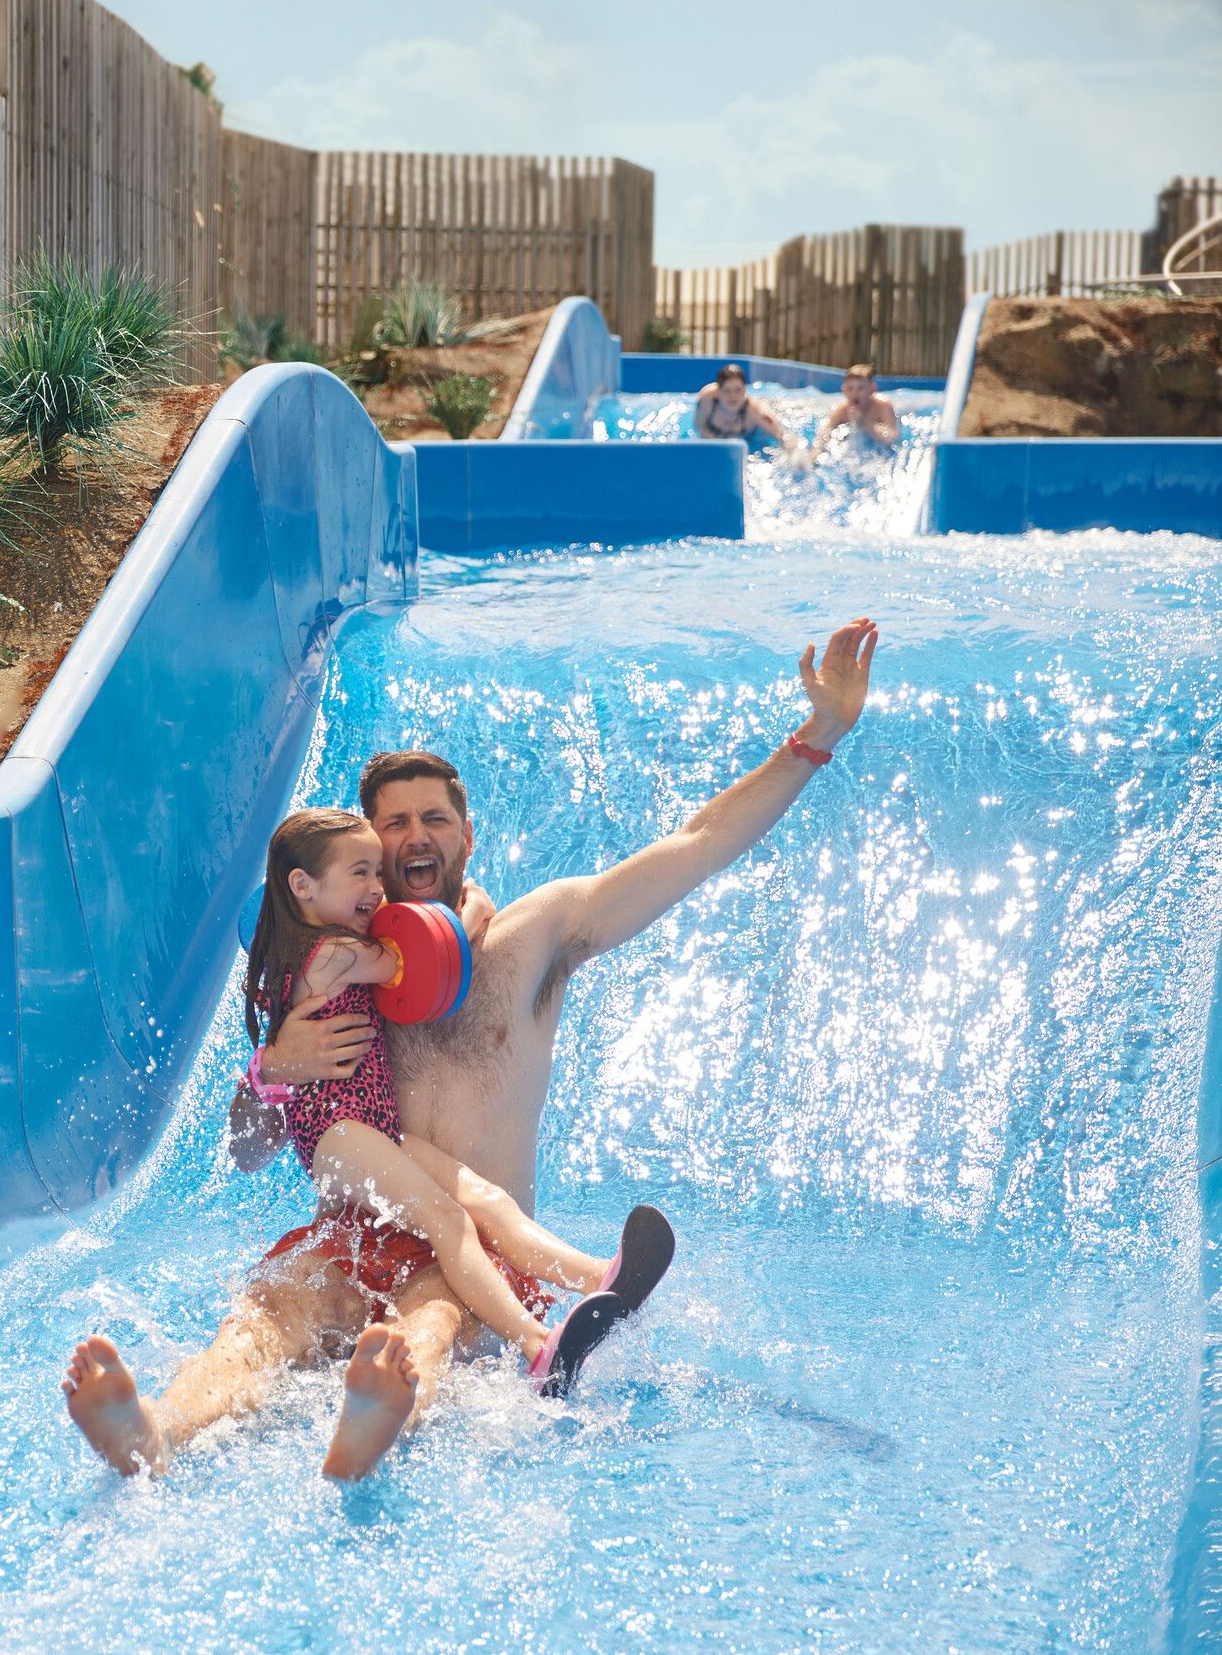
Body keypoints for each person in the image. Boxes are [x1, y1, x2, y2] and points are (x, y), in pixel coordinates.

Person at [63, 617, 880, 1482]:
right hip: (355, 1229)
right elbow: (248, 1154)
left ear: (467, 838)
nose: (415, 835)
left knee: (431, 1326)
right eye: (392, 824)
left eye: (435, 819)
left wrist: (816, 735)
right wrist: (277, 1068)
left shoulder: (532, 938)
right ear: (364, 855)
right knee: (264, 1315)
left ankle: (372, 1428)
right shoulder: (337, 968)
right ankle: (154, 1429)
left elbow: (694, 846)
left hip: (469, 1269)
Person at [237, 807, 661, 1393]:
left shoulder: (322, 946)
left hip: (369, 1125)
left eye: (376, 875)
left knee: (486, 1200)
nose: (375, 888)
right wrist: (473, 909)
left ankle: (600, 1278)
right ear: (302, 886)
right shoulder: (332, 955)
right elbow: (417, 957)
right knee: (449, 1220)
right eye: (360, 873)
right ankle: (538, 1346)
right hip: (337, 1132)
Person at [693, 363, 799, 456]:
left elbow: (782, 436)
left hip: (751, 441)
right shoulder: (707, 400)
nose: (733, 396)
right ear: (718, 391)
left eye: (738, 390)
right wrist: (713, 447)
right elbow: (699, 425)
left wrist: (796, 455)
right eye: (727, 391)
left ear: (745, 390)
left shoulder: (754, 411)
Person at [814, 363, 902, 457]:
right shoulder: (841, 411)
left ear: (872, 389)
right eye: (850, 388)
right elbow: (822, 437)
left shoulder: (882, 406)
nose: (855, 393)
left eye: (861, 388)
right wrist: (814, 455)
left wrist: (864, 423)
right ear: (843, 390)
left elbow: (893, 439)